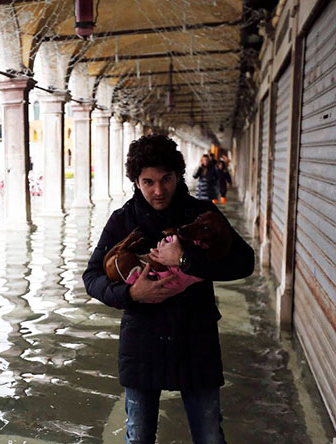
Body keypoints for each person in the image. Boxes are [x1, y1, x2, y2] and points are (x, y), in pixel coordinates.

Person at [82, 135, 254, 444]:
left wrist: (186, 259)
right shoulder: (122, 221)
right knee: (139, 437)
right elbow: (92, 277)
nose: (158, 191)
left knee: (210, 436)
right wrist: (131, 295)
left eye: (166, 179)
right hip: (142, 343)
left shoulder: (202, 214)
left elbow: (244, 263)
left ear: (178, 175)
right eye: (148, 182)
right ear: (136, 181)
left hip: (196, 340)